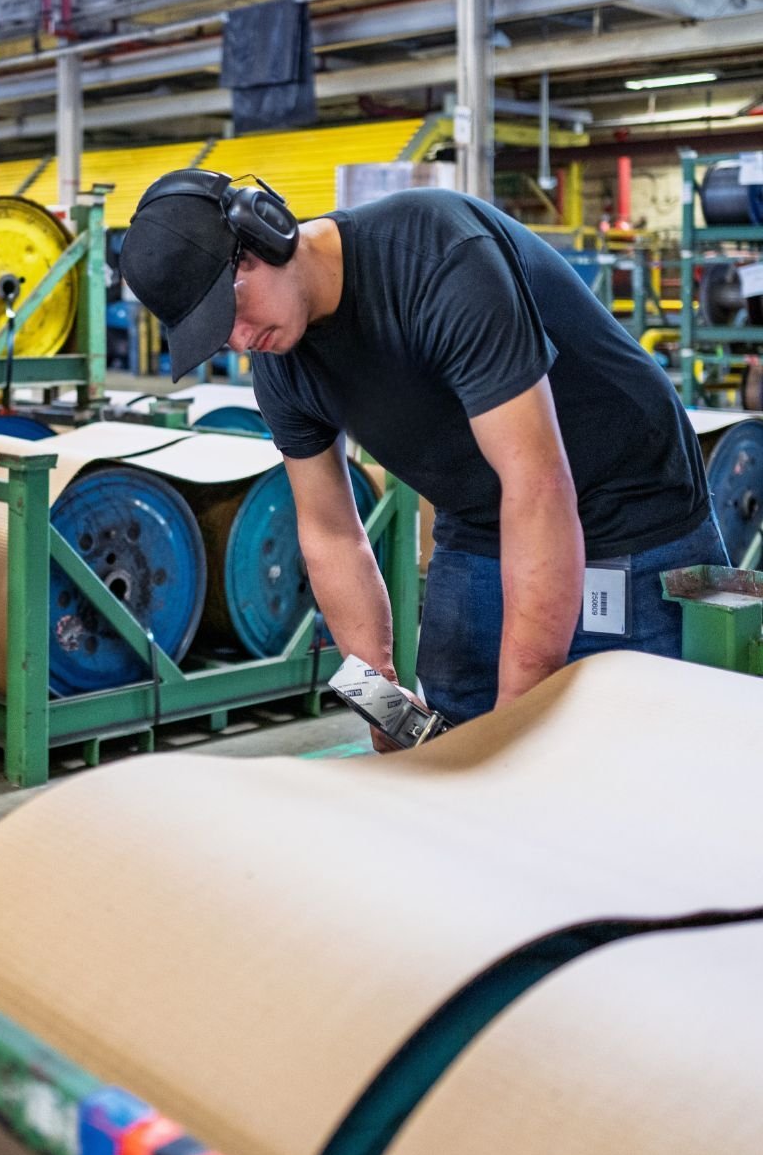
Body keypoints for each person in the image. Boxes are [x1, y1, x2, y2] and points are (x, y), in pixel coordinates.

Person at [119, 168, 727, 733]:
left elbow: (538, 486)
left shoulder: (437, 259)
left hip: (629, 515)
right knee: (446, 742)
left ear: (269, 232)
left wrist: (518, 724)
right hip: (480, 522)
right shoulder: (281, 366)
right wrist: (379, 700)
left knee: (621, 746)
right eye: (216, 332)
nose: (240, 338)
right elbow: (332, 535)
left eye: (233, 310)